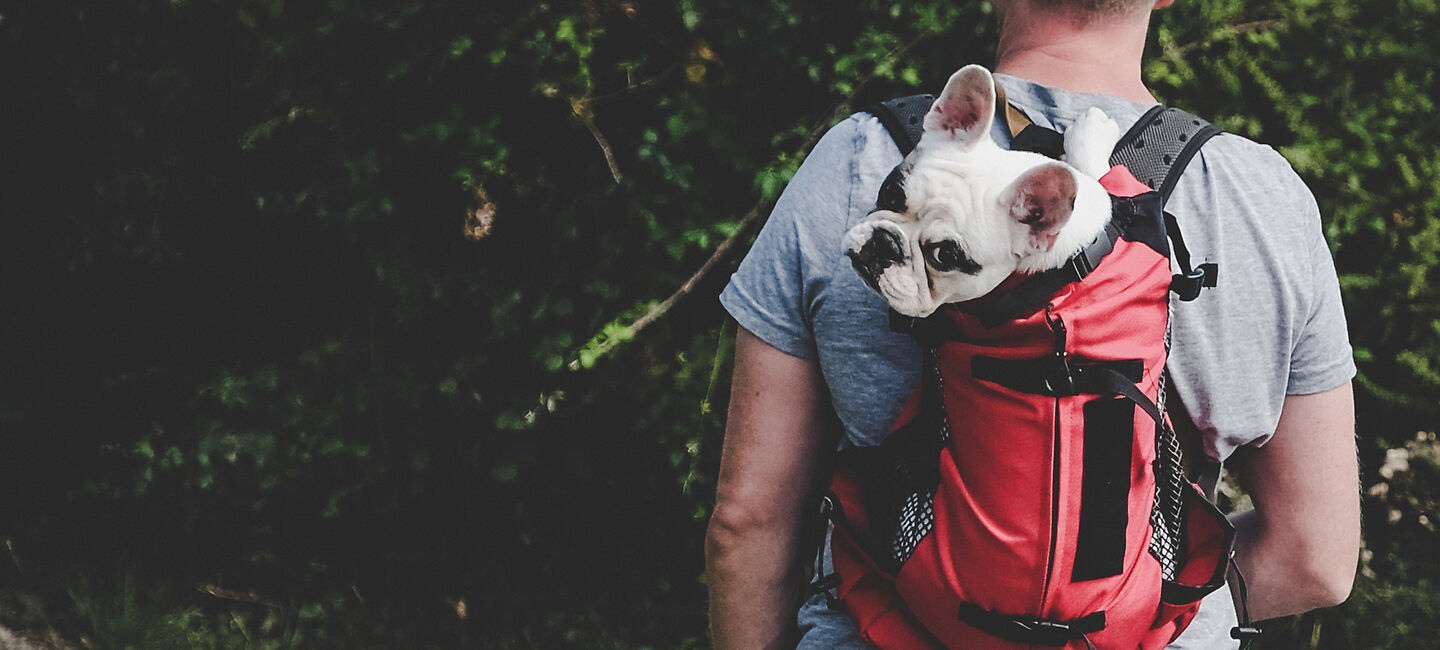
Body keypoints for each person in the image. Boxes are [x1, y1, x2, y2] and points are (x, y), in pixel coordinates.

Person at [704, 0, 1361, 648]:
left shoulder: (856, 156)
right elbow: (1316, 558)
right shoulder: (1264, 199)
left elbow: (748, 521)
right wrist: (1149, 604)